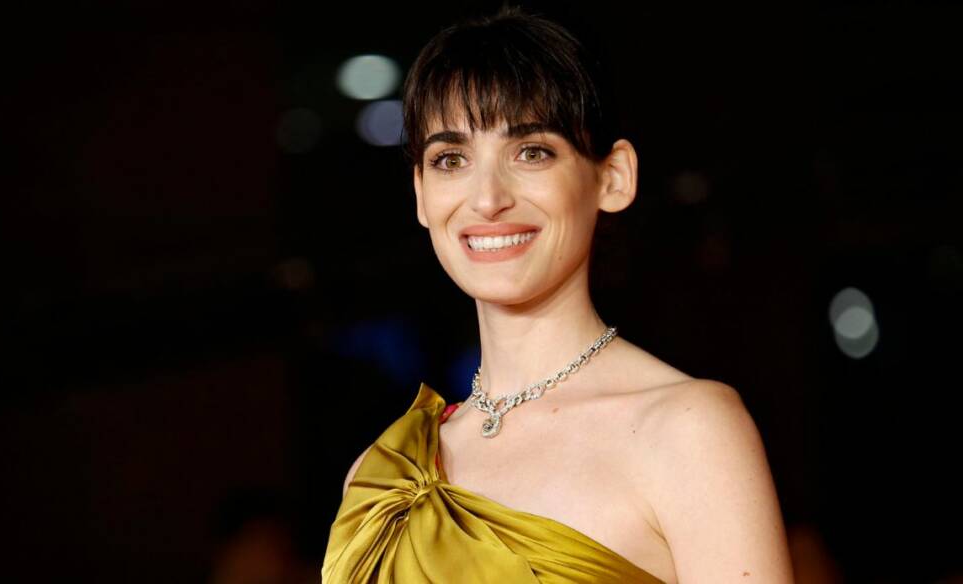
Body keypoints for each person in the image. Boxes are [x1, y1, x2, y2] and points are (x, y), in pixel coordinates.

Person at [322, 5, 794, 583]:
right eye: (451, 159)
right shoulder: (378, 480)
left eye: (531, 152)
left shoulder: (690, 432)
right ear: (421, 194)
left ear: (612, 177)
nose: (487, 198)